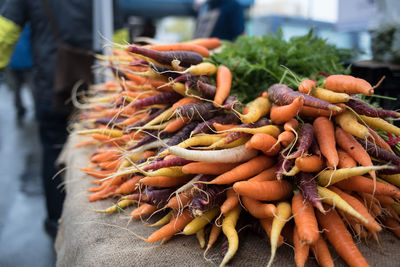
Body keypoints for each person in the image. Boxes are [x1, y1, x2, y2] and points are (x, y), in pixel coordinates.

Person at [0, 0, 123, 238]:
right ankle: (93, 224)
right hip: (97, 88)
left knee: (54, 152)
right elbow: (117, 37)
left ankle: (57, 222)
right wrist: (118, 85)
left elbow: (4, 34)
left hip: (52, 85)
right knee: (96, 152)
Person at [4, 24, 33, 123]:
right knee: (32, 87)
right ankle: (36, 108)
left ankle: (19, 108)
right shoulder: (27, 27)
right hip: (27, 62)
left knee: (16, 88)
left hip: (12, 62)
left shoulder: (8, 27)